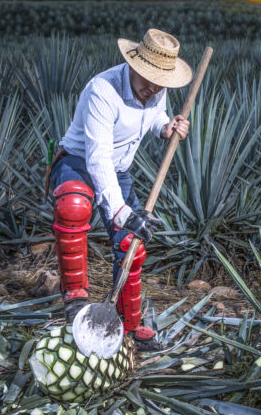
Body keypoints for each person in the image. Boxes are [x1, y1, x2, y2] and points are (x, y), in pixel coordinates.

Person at [47, 28, 192, 351]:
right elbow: (98, 157)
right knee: (73, 206)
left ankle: (128, 324)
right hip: (79, 162)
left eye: (161, 83)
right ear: (133, 65)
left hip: (118, 170)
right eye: (149, 80)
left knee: (131, 243)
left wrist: (165, 127)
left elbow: (154, 115)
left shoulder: (155, 88)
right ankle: (75, 301)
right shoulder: (103, 90)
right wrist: (121, 211)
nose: (154, 88)